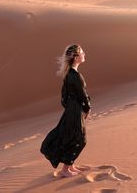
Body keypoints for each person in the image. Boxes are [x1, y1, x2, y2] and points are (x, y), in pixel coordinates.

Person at [40, 44, 92, 177]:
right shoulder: (75, 76)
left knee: (71, 136)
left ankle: (70, 166)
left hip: (71, 108)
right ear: (75, 58)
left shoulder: (69, 74)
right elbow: (82, 95)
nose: (84, 54)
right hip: (75, 109)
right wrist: (87, 108)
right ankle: (65, 170)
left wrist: (69, 107)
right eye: (82, 52)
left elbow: (63, 96)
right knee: (79, 138)